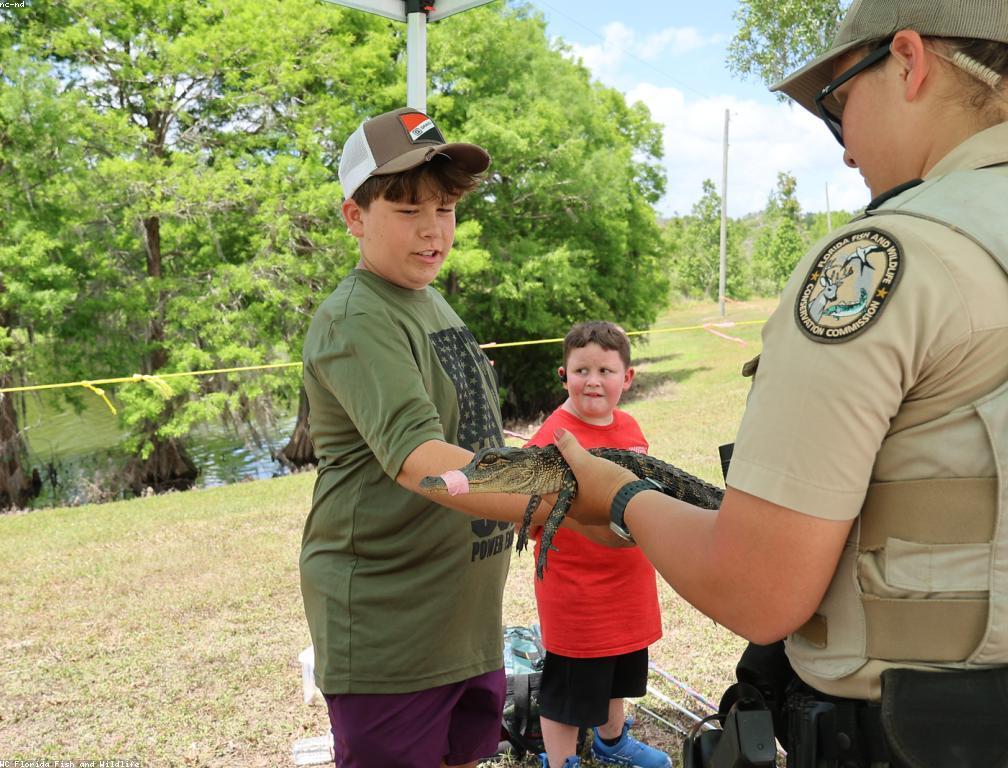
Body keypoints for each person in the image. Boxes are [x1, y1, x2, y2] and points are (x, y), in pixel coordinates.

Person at [549, 2, 1008, 765]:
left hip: (913, 734)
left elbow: (759, 590)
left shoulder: (883, 261)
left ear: (907, 60)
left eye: (838, 105)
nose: (848, 155)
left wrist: (620, 496)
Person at [300, 107, 567, 768]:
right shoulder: (356, 318)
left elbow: (469, 435)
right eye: (407, 209)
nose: (433, 229)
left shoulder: (427, 297)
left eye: (445, 209)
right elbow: (421, 461)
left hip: (463, 627)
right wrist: (561, 488)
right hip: (392, 635)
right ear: (354, 217)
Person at [523, 322, 670, 768]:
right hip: (577, 592)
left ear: (626, 377)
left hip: (627, 585)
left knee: (616, 672)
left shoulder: (630, 426)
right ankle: (562, 760)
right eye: (581, 369)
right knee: (568, 690)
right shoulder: (552, 437)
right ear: (563, 375)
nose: (592, 380)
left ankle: (611, 741)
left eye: (605, 370)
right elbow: (525, 510)